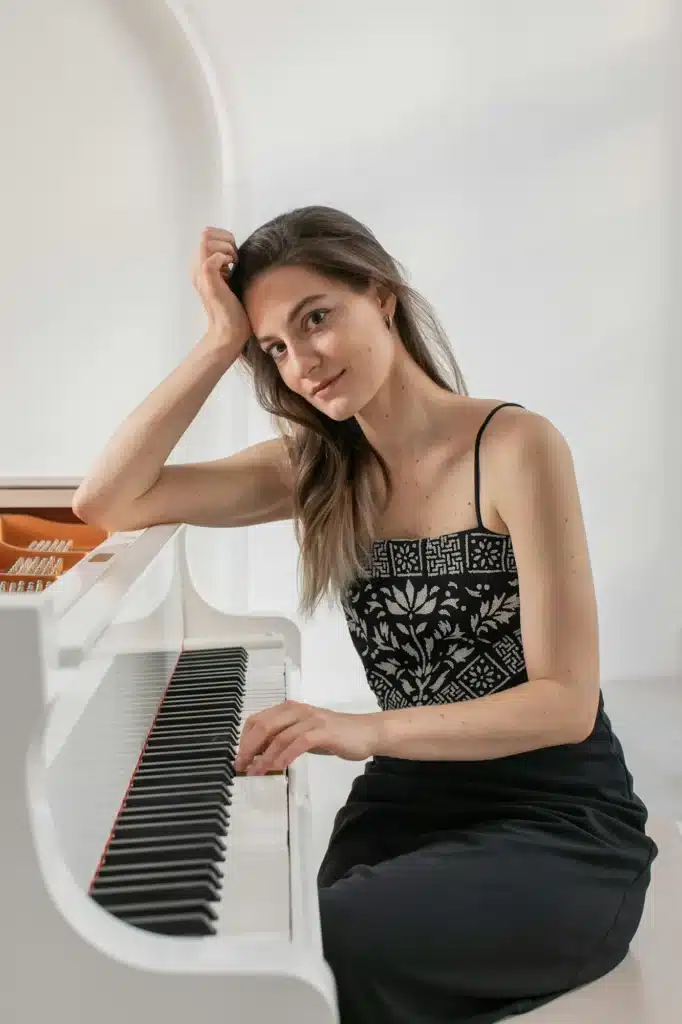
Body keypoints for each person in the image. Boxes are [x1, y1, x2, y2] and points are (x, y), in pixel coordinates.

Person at [73, 206, 658, 1024]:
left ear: (380, 295)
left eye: (317, 319)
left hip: (555, 821)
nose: (301, 362)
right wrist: (215, 342)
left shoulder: (515, 447)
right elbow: (107, 500)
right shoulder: (312, 470)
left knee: (325, 945)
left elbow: (565, 703)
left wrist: (355, 728)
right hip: (406, 809)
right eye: (273, 347)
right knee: (270, 949)